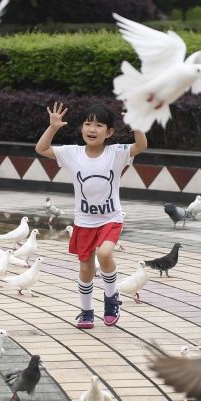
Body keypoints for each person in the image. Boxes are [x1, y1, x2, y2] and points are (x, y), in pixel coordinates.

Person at [35, 102, 147, 328]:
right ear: (81, 128)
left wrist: (137, 127)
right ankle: (86, 312)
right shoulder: (72, 153)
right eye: (87, 124)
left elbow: (140, 146)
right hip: (84, 222)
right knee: (86, 267)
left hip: (111, 218)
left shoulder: (116, 153)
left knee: (105, 254)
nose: (92, 129)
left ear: (109, 132)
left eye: (98, 125)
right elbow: (41, 149)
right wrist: (53, 127)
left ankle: (111, 299)